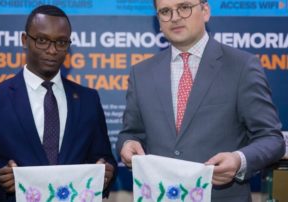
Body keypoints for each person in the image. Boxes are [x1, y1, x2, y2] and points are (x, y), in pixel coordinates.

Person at [117, 0, 285, 201]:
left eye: (184, 7)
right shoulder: (141, 73)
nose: (175, 17)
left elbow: (272, 139)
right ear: (159, 21)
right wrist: (127, 144)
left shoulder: (242, 66)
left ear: (205, 11)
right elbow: (131, 133)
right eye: (165, 11)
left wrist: (239, 161)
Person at [0, 5, 116, 201]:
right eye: (42, 40)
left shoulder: (88, 100)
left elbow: (103, 158)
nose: (52, 50)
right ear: (24, 40)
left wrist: (106, 174)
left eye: (61, 42)